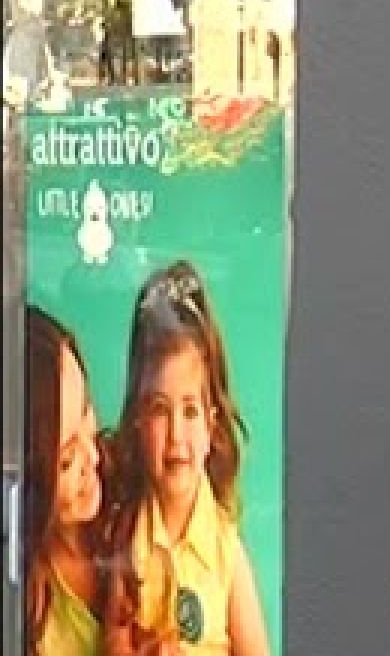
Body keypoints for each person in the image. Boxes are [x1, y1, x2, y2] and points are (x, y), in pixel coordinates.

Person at [102, 262, 271, 656]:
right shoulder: (125, 533)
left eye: (191, 411)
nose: (176, 435)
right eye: (160, 410)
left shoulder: (226, 554)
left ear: (212, 426)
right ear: (139, 420)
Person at [25, 306, 109, 656]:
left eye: (87, 411)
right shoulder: (24, 600)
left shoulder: (136, 484)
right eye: (66, 460)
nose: (94, 457)